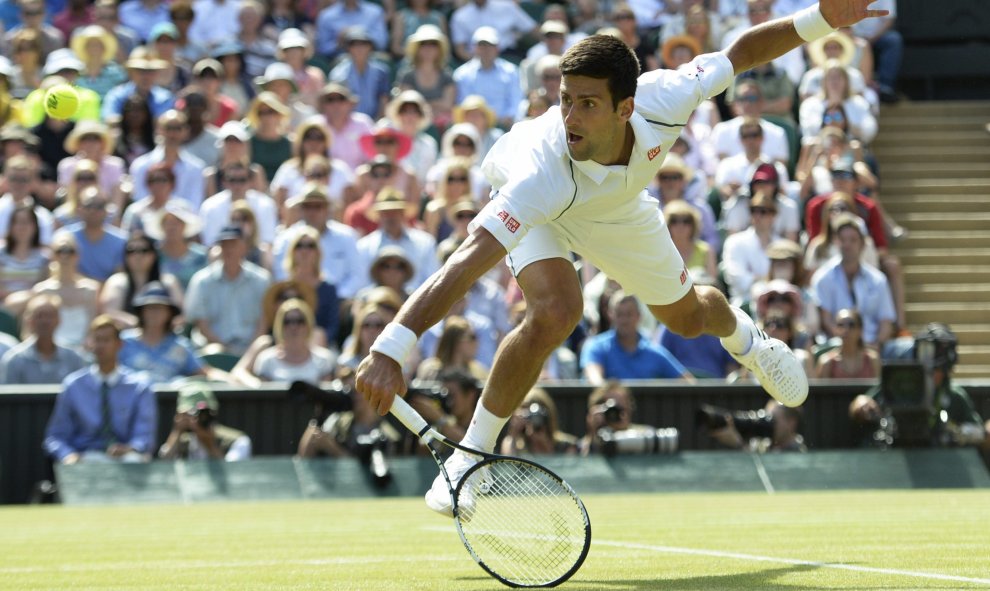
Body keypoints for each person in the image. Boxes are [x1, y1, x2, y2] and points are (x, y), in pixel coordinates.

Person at [357, 2, 882, 516]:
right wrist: (390, 347)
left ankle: (751, 343)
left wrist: (822, 18)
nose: (569, 116)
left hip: (618, 210)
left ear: (625, 108)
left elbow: (740, 52)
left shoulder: (667, 96)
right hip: (545, 204)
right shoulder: (539, 173)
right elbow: (466, 263)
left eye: (587, 104)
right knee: (556, 312)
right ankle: (469, 460)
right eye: (564, 100)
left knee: (688, 317)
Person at [42, 315, 158, 464]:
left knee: (135, 462)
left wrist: (130, 449)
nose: (100, 345)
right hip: (85, 458)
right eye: (97, 339)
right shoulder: (73, 385)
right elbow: (55, 437)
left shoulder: (140, 386)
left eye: (106, 340)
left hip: (126, 461)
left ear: (119, 344)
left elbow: (144, 437)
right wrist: (68, 456)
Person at [810, 212, 895, 350]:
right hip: (836, 348)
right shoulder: (822, 277)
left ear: (862, 244)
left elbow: (886, 322)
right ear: (836, 242)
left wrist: (874, 347)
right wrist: (848, 346)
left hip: (873, 347)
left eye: (853, 240)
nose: (847, 245)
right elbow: (826, 321)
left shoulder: (878, 280)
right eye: (842, 239)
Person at [184, 225, 271, 355]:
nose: (228, 249)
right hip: (214, 349)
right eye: (224, 245)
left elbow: (263, 321)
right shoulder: (202, 281)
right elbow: (201, 324)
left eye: (233, 244)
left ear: (244, 247)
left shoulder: (262, 280)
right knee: (213, 352)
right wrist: (223, 348)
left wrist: (251, 351)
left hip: (251, 350)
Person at [119, 281, 228, 383]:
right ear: (141, 312)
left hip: (168, 402)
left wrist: (234, 379)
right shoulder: (123, 342)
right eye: (150, 308)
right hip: (129, 402)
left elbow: (205, 373)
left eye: (160, 308)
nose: (154, 313)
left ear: (169, 313)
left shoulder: (180, 346)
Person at [580, 290, 695, 384]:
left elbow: (688, 382)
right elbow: (594, 380)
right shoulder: (596, 346)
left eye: (629, 314)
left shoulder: (653, 351)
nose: (624, 320)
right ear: (610, 315)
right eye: (619, 314)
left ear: (639, 316)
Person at [99, 233, 184, 329]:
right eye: (131, 251)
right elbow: (109, 312)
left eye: (144, 250)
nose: (137, 255)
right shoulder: (117, 281)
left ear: (153, 255)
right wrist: (141, 324)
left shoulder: (168, 281)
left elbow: (180, 314)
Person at [0, 294, 85, 384]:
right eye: (39, 316)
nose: (45, 321)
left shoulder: (73, 358)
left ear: (59, 320)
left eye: (50, 316)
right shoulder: (15, 359)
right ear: (29, 320)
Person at [247, 298, 337, 383]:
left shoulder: (324, 359)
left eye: (300, 321)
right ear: (279, 326)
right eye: (287, 322)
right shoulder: (266, 360)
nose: (293, 327)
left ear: (308, 325)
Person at [158, 381, 252, 460]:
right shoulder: (183, 441)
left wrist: (210, 444)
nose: (197, 419)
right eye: (190, 413)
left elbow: (233, 475)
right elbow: (164, 467)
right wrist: (177, 432)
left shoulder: (238, 441)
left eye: (203, 413)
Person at [407, 369, 483, 443]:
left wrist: (439, 419)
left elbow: (470, 444)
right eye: (444, 394)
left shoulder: (482, 427)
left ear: (471, 395)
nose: (448, 400)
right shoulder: (445, 427)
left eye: (452, 395)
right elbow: (423, 452)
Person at [500, 386, 578, 454]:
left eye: (538, 415)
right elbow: (508, 467)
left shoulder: (567, 445)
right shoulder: (516, 445)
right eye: (528, 415)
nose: (533, 420)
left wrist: (547, 446)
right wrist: (513, 435)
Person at [707, 399, 807, 452]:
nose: (768, 423)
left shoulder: (796, 450)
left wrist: (739, 445)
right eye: (767, 417)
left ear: (791, 423)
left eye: (773, 419)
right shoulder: (763, 444)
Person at [415, 315, 489, 382]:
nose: (476, 342)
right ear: (455, 340)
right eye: (472, 337)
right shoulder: (429, 370)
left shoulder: (479, 373)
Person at [816, 307, 879, 379]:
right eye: (840, 325)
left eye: (851, 325)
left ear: (860, 330)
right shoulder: (826, 363)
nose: (846, 329)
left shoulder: (872, 361)